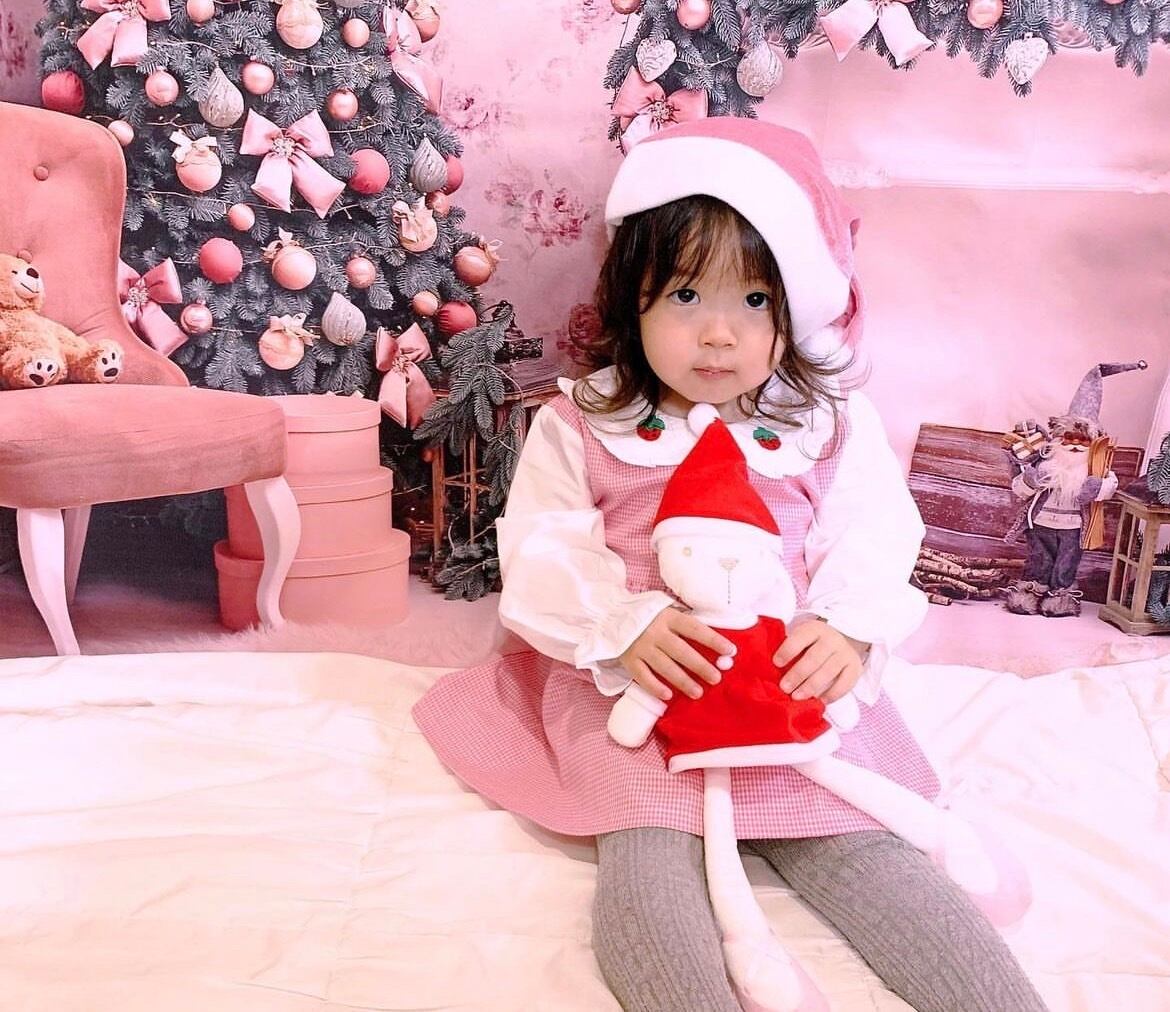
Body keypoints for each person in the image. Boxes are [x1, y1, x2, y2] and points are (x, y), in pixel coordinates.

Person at [413, 118, 1048, 1012]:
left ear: (795, 307)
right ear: (632, 299)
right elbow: (545, 545)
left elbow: (873, 532)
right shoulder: (582, 420)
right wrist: (623, 628)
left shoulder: (824, 424)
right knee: (647, 854)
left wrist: (844, 628)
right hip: (639, 689)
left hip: (781, 681)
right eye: (685, 296)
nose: (718, 335)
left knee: (865, 843)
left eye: (753, 301)